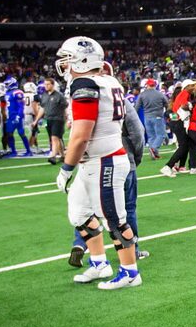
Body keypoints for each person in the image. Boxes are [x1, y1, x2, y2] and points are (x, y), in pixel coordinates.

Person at [54, 36, 141, 290]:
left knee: (114, 219)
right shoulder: (107, 79)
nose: (65, 65)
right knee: (79, 214)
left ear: (82, 60)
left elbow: (81, 135)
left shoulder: (85, 83)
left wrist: (66, 167)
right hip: (96, 161)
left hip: (106, 162)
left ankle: (130, 272)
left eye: (68, 59)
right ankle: (99, 263)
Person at [70, 95, 149, 267]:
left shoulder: (84, 99)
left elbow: (77, 135)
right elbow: (138, 132)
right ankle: (132, 252)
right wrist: (135, 158)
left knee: (86, 210)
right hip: (119, 160)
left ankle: (80, 244)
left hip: (90, 164)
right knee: (126, 209)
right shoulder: (119, 99)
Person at [35, 78, 68, 165]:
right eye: (45, 84)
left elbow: (65, 107)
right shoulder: (44, 95)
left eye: (48, 84)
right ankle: (62, 155)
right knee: (55, 138)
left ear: (53, 85)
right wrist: (36, 120)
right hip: (47, 119)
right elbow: (42, 108)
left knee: (54, 137)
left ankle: (53, 156)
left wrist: (67, 119)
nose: (46, 86)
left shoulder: (59, 95)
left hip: (57, 119)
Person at [136, 78, 169, 159]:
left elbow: (136, 107)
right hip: (158, 116)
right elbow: (167, 104)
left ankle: (154, 154)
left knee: (151, 136)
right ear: (154, 85)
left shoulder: (142, 95)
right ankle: (154, 148)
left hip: (147, 117)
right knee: (161, 135)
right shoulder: (159, 94)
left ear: (147, 85)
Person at [1, 77, 32, 156]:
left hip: (17, 116)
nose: (6, 86)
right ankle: (13, 151)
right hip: (10, 116)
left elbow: (21, 105)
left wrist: (19, 116)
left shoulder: (17, 92)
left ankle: (29, 151)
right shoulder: (7, 93)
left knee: (21, 133)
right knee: (9, 134)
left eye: (7, 84)